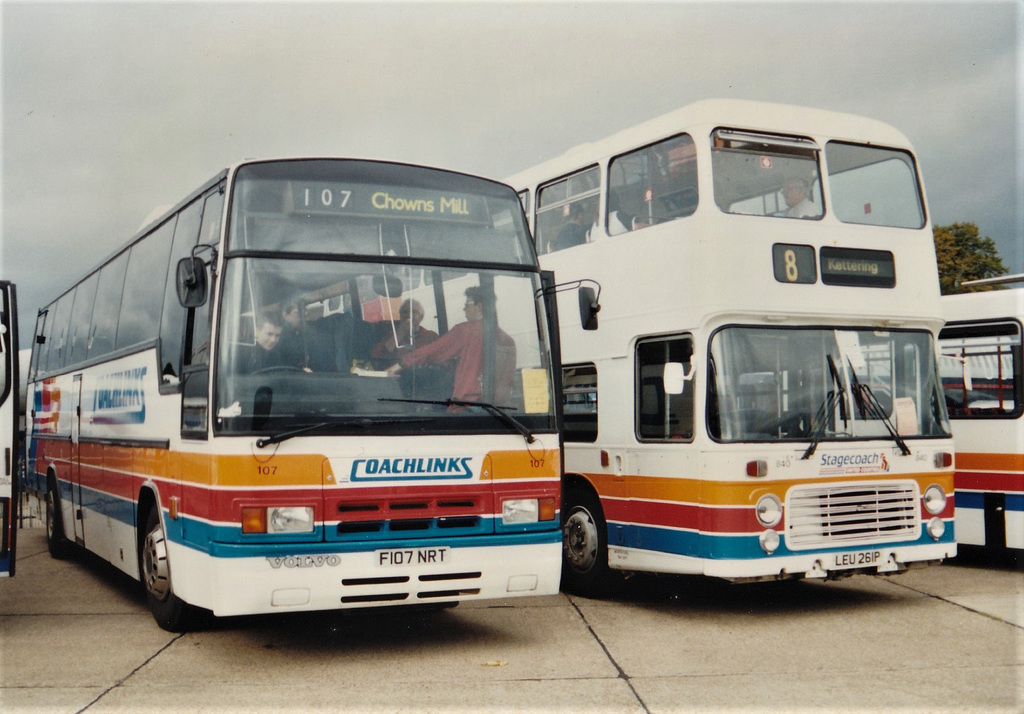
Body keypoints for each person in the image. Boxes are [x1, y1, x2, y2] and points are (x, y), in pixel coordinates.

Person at [386, 286, 516, 403]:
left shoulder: (465, 331)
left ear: (479, 306)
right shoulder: (508, 341)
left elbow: (432, 351)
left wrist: (396, 367)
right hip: (496, 413)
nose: (464, 309)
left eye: (467, 305)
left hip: (466, 406)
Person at [371, 299, 438, 368]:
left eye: (414, 312)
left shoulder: (431, 336)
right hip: (398, 376)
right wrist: (400, 333)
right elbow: (376, 356)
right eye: (405, 312)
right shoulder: (391, 336)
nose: (409, 315)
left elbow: (443, 358)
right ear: (400, 316)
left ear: (421, 317)